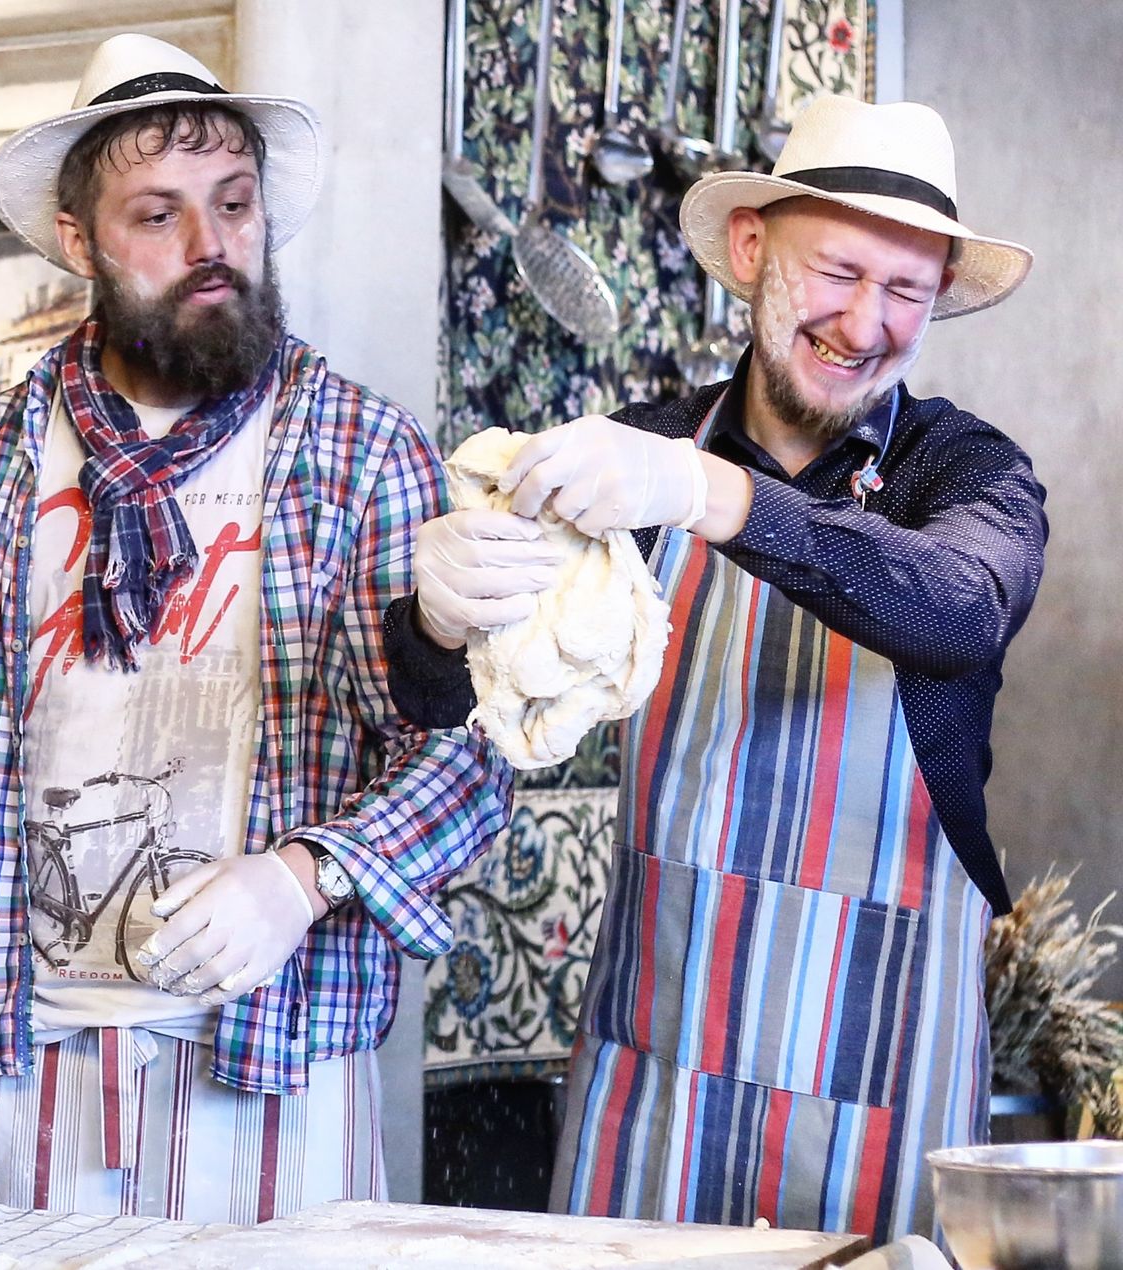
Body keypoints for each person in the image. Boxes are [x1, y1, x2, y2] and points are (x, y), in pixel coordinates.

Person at [0, 34, 512, 1223]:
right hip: (6, 1052)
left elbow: (464, 755)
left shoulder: (363, 454)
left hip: (267, 1055)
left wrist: (301, 877)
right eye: (157, 215)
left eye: (232, 203)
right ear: (78, 240)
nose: (207, 242)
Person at [391, 95, 1045, 1241]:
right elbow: (458, 708)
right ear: (749, 248)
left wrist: (709, 493)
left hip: (881, 1069)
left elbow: (955, 610)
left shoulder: (964, 474)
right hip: (660, 1061)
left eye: (904, 290)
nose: (863, 322)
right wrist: (437, 622)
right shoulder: (636, 449)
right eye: (836, 271)